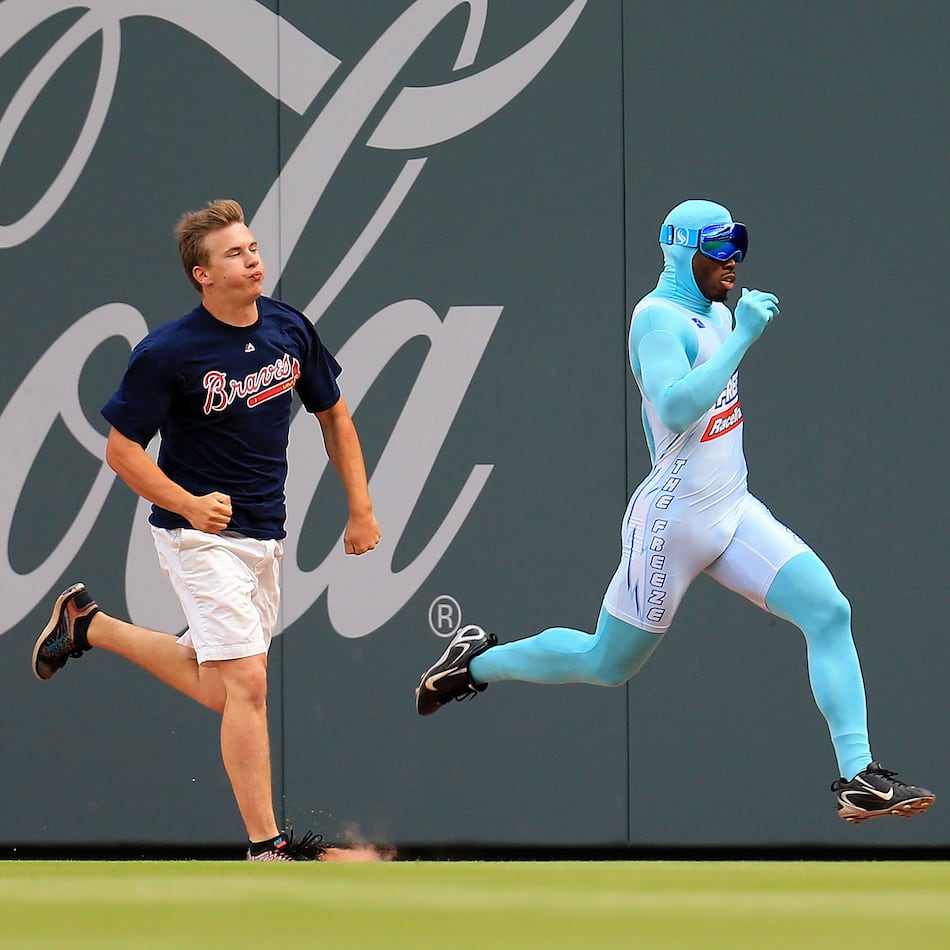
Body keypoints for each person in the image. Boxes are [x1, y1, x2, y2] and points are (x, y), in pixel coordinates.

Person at [415, 198, 934, 824]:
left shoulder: (713, 309)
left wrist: (733, 327)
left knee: (828, 611)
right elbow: (678, 405)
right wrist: (742, 336)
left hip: (732, 508)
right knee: (605, 663)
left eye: (737, 248)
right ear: (685, 253)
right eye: (718, 250)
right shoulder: (659, 321)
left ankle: (860, 777)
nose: (733, 262)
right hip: (674, 522)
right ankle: (475, 665)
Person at [33, 198, 381, 860]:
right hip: (196, 536)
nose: (251, 259)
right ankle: (267, 846)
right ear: (203, 274)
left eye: (251, 247)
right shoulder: (169, 351)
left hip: (262, 535)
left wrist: (360, 508)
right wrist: (189, 504)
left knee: (226, 689)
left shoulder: (289, 329)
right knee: (248, 683)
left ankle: (88, 624)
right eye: (234, 253)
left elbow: (334, 415)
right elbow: (122, 450)